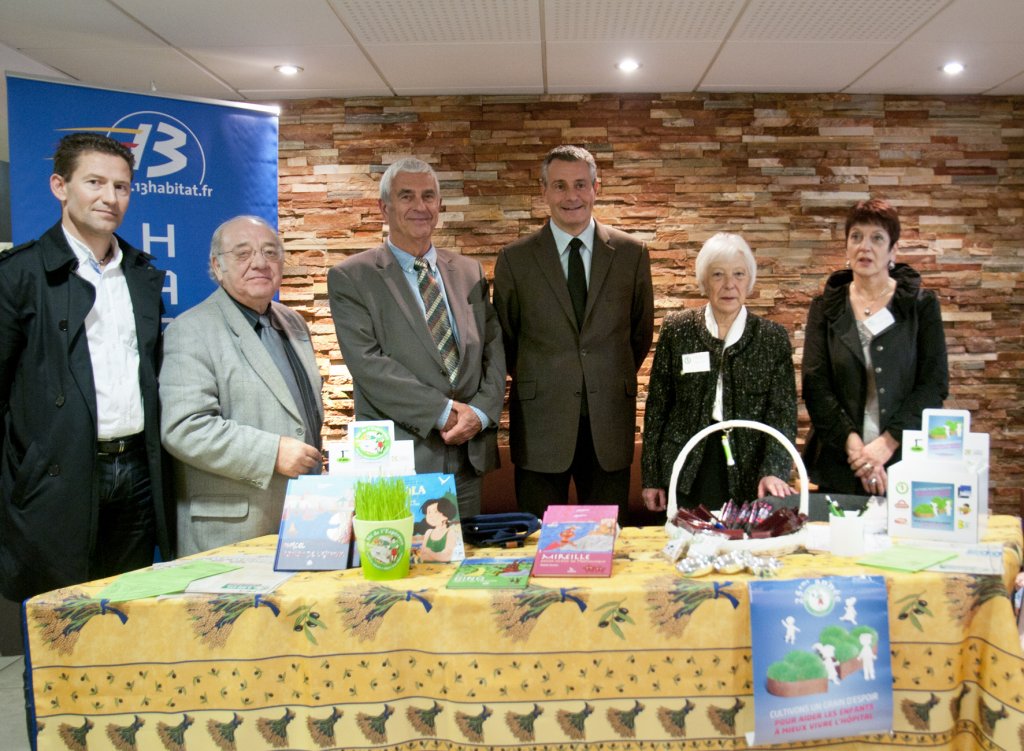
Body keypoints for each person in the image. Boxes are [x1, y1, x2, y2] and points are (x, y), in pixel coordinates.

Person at [0, 132, 172, 602]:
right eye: (94, 182)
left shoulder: (140, 274)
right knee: (60, 620)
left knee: (123, 613)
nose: (109, 197)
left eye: (121, 187)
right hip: (58, 477)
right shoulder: (19, 275)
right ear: (60, 186)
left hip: (135, 471)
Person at [328, 157, 505, 519]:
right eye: (406, 196)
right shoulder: (352, 277)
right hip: (400, 461)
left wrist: (482, 413)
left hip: (468, 456)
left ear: (440, 205)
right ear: (384, 207)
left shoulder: (469, 271)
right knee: (401, 571)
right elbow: (368, 365)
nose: (420, 206)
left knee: (463, 568)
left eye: (428, 196)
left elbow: (492, 349)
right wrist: (444, 414)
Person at [493, 145, 654, 520]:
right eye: (560, 186)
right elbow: (506, 338)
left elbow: (638, 335)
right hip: (540, 424)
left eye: (581, 184)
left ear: (596, 187)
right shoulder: (515, 260)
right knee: (536, 540)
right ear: (544, 190)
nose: (572, 196)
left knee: (607, 543)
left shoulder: (632, 254)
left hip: (609, 424)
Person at [160, 215, 324, 556]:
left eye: (270, 252)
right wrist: (272, 453)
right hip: (231, 532)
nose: (260, 263)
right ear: (217, 267)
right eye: (243, 253)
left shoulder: (293, 323)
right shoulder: (191, 330)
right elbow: (184, 427)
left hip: (302, 520)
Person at [641, 233, 797, 514]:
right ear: (704, 281)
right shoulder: (678, 329)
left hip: (751, 470)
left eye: (738, 274)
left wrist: (774, 470)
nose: (729, 285)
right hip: (687, 467)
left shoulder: (772, 338)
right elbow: (657, 408)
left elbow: (782, 414)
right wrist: (652, 477)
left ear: (749, 281)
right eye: (718, 275)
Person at [802, 198, 948, 496]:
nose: (864, 246)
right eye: (856, 237)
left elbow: (933, 384)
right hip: (840, 461)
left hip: (904, 460)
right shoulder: (826, 307)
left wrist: (885, 445)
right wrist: (857, 450)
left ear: (893, 250)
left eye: (877, 238)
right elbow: (815, 384)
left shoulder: (920, 306)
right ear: (846, 246)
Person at [414, 497, 461, 562]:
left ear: (446, 514)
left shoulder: (450, 532)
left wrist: (429, 552)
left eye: (435, 512)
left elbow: (447, 557)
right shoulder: (428, 532)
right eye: (429, 512)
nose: (430, 515)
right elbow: (423, 555)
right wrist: (434, 555)